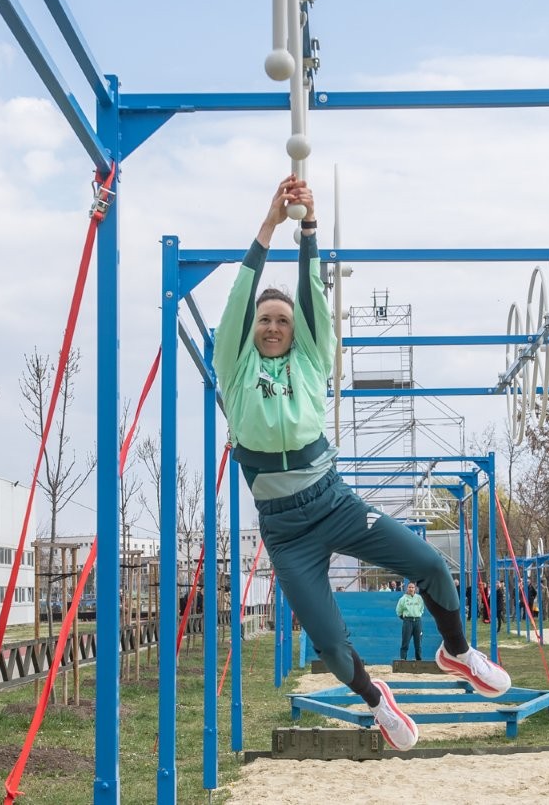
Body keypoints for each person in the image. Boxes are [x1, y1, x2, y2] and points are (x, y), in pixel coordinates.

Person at [214, 176, 510, 751]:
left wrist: (309, 228)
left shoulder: (310, 361)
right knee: (328, 641)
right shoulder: (237, 366)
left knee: (431, 564)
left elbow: (313, 300)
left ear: (296, 332)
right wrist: (269, 224)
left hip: (334, 503)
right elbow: (237, 302)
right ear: (250, 331)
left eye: (282, 320)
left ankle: (457, 650)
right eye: (264, 320)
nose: (272, 326)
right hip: (286, 531)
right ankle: (378, 702)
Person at [396, 582, 425, 661]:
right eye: (409, 587)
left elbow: (422, 609)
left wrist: (417, 615)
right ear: (407, 588)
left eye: (412, 587)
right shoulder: (403, 599)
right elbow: (399, 611)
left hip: (417, 621)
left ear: (415, 589)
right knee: (405, 642)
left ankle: (419, 660)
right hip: (407, 621)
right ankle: (403, 659)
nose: (411, 589)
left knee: (418, 643)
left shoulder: (419, 598)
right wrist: (406, 619)